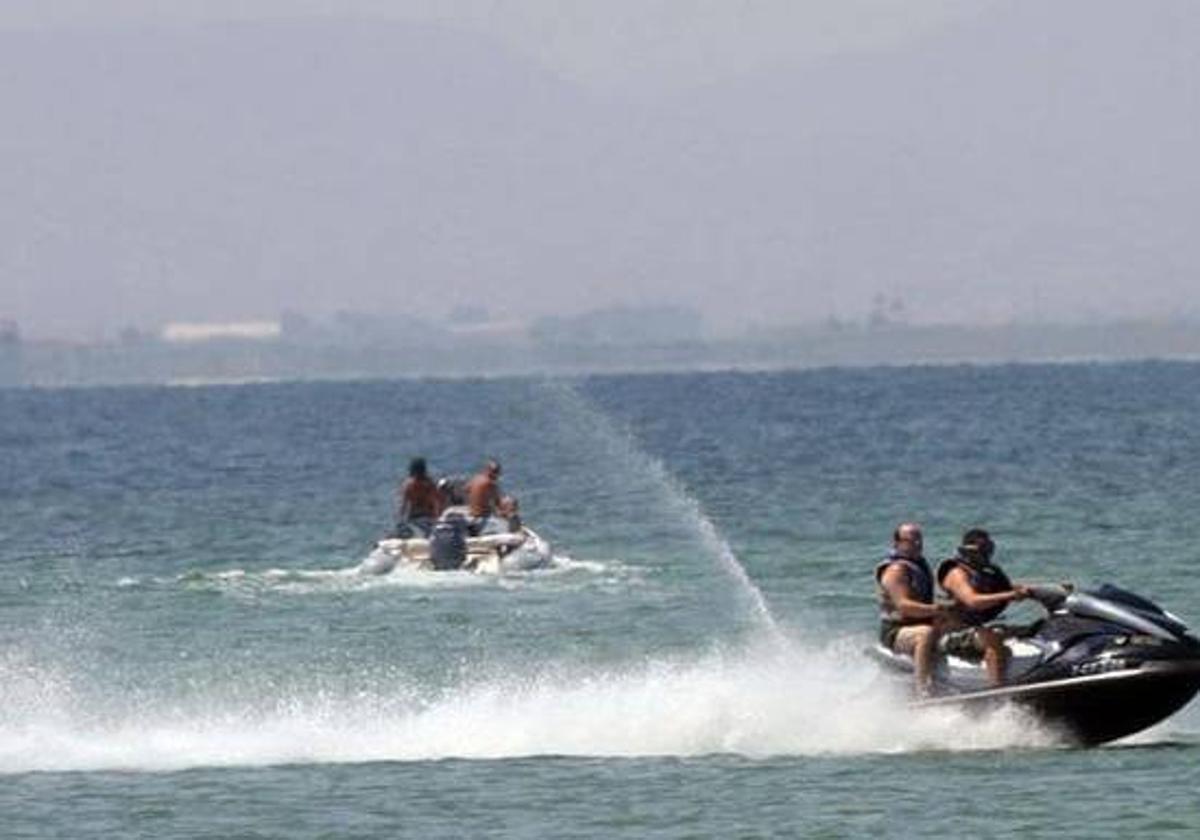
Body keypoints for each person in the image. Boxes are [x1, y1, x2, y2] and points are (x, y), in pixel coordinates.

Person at [936, 528, 1029, 687]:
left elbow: (1010, 589)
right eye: (982, 549)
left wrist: (1047, 590)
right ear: (968, 549)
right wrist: (1010, 596)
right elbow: (973, 601)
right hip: (951, 633)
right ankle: (997, 690)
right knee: (993, 640)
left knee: (1028, 630)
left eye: (988, 548)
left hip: (974, 630)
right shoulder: (956, 573)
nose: (986, 553)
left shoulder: (985, 573)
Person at [875, 522, 954, 697]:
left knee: (960, 623)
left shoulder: (918, 565)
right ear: (897, 543)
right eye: (911, 540)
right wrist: (937, 609)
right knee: (924, 634)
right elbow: (905, 606)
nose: (917, 544)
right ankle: (923, 689)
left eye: (919, 540)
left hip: (921, 622)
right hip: (896, 631)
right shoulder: (895, 570)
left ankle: (968, 678)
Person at [394, 457, 444, 537]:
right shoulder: (430, 484)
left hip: (414, 518)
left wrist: (400, 521)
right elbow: (438, 502)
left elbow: (403, 506)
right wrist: (438, 518)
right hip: (429, 517)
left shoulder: (408, 485)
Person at [464, 458, 504, 535]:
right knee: (504, 525)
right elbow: (498, 503)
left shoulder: (475, 478)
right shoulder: (490, 483)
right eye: (496, 472)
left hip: (471, 515)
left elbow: (466, 490)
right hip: (482, 519)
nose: (497, 475)